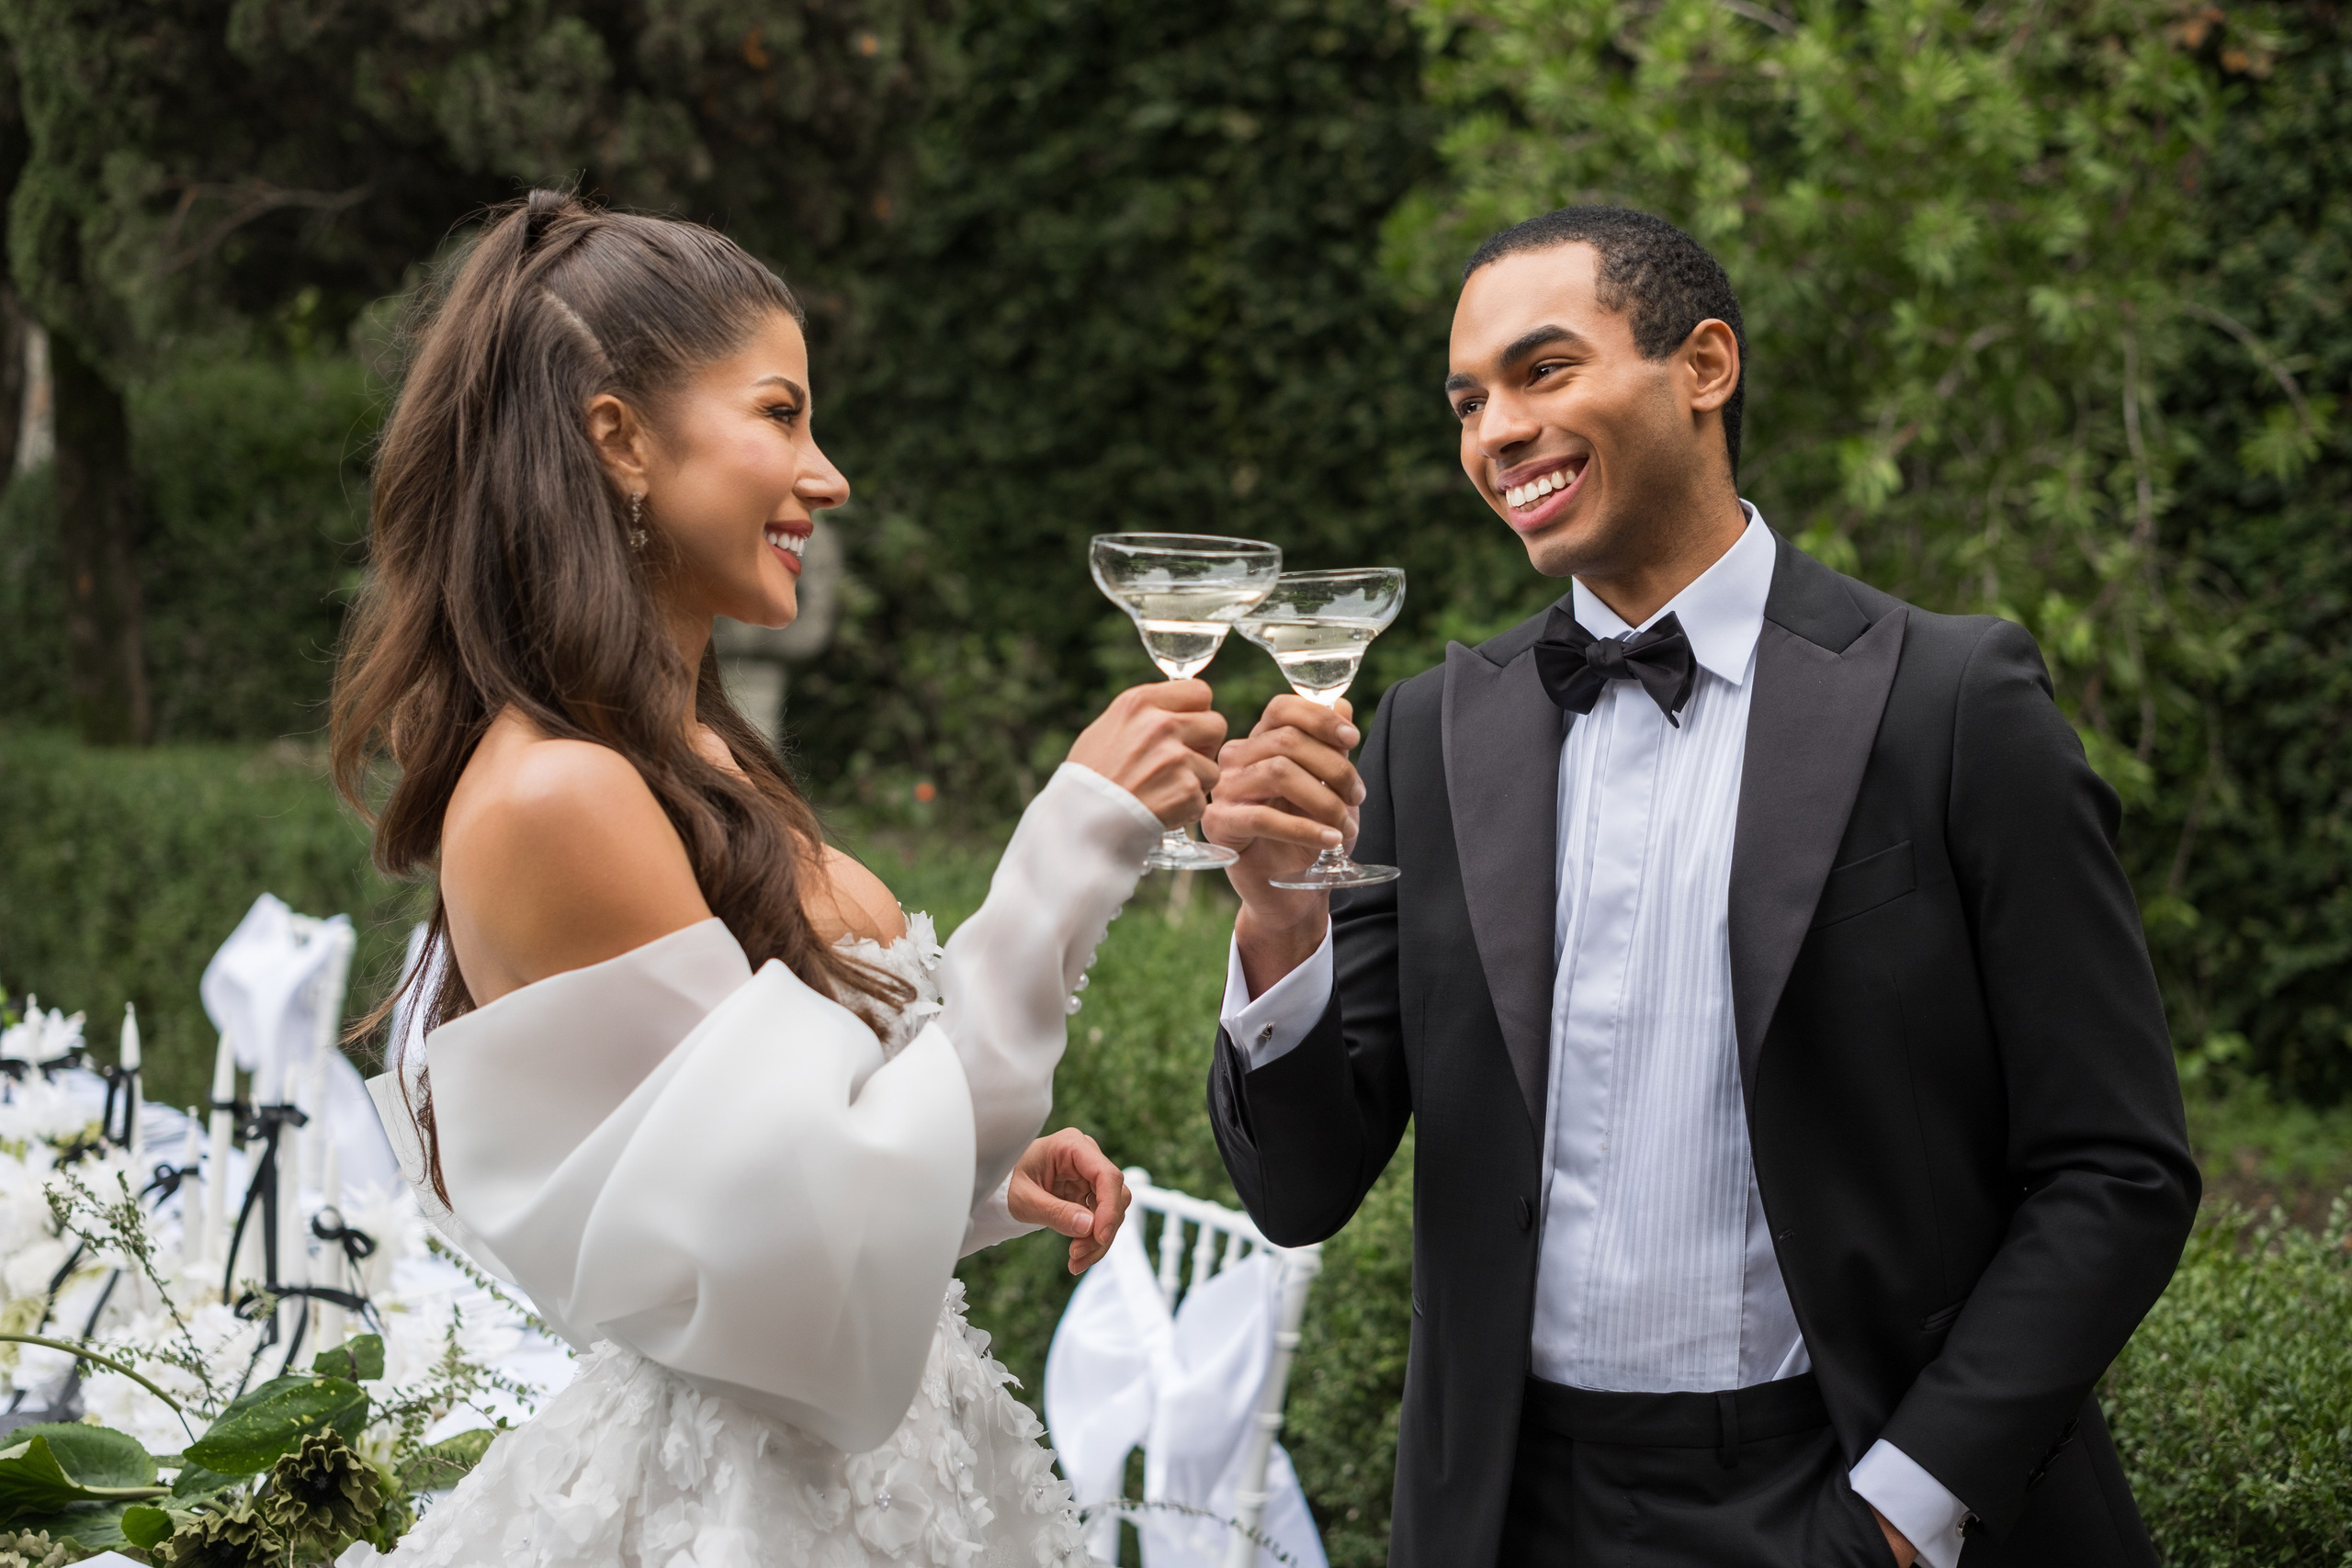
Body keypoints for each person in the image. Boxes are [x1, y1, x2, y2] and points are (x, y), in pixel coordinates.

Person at [1200, 206, 2199, 1568]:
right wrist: (1276, 918)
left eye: (1542, 372)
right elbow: (1301, 1188)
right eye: (1468, 401)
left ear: (1705, 365)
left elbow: (2118, 1167)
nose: (1494, 432)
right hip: (1510, 1516)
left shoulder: (1955, 704)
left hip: (1850, 1492)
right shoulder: (1432, 734)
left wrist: (1906, 1509)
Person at [329, 188, 1227, 1566]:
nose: (829, 472)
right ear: (619, 439)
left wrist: (978, 1182)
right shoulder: (564, 792)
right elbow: (788, 1254)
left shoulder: (680, 752)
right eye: (782, 414)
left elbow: (750, 1192)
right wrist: (1079, 837)